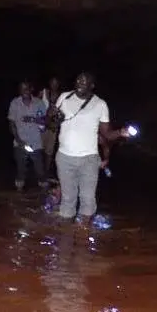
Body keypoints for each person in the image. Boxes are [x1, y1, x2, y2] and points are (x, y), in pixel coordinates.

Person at [51, 71, 130, 225]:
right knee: (67, 200)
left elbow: (106, 134)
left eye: (85, 81)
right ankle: (66, 239)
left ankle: (83, 239)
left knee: (87, 200)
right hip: (65, 158)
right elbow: (51, 123)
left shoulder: (100, 104)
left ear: (92, 86)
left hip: (89, 159)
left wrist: (121, 132)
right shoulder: (64, 98)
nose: (80, 82)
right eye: (78, 80)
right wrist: (52, 116)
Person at [8, 80, 47, 191]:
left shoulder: (39, 103)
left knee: (39, 169)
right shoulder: (15, 103)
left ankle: (43, 190)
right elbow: (11, 124)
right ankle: (18, 193)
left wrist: (34, 119)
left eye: (26, 88)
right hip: (20, 142)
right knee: (21, 169)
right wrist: (18, 140)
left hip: (36, 142)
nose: (24, 91)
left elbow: (44, 121)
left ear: (31, 89)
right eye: (22, 88)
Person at [40, 76, 61, 179]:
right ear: (49, 83)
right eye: (52, 82)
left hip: (53, 127)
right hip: (41, 126)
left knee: (49, 151)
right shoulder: (43, 92)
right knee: (39, 149)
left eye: (56, 83)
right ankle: (38, 170)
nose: (54, 85)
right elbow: (35, 106)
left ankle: (46, 172)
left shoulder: (61, 96)